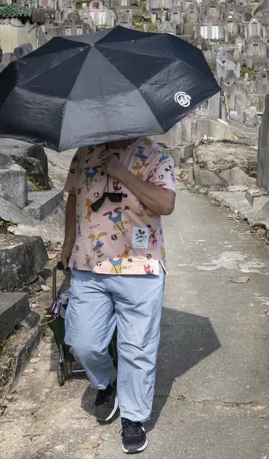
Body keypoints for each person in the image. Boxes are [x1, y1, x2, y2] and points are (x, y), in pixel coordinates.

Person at [61, 137, 177, 455]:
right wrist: (67, 246)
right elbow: (72, 198)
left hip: (141, 266)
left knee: (137, 348)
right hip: (88, 265)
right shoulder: (84, 153)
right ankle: (107, 381)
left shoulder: (155, 157)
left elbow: (165, 205)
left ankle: (133, 417)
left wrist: (122, 173)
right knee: (82, 342)